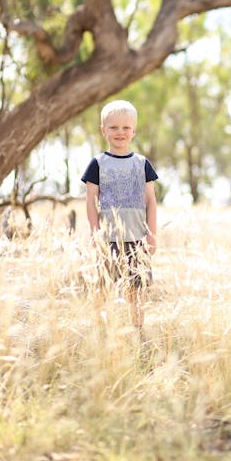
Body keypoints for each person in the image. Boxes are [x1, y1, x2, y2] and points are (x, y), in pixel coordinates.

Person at [81, 100, 158, 337]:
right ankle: (102, 331)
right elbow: (91, 201)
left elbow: (151, 201)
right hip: (108, 238)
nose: (120, 133)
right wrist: (96, 233)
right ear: (104, 130)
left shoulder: (142, 164)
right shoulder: (98, 163)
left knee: (136, 288)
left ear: (134, 131)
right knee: (102, 286)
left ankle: (138, 331)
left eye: (126, 128)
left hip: (137, 238)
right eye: (114, 128)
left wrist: (151, 235)